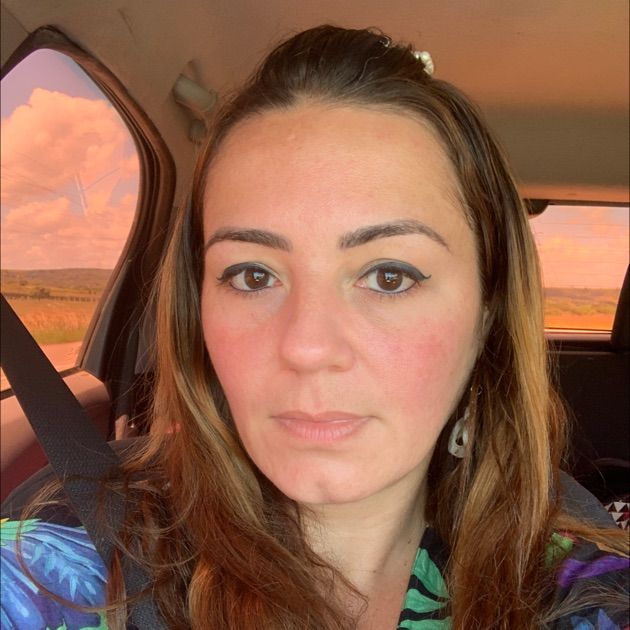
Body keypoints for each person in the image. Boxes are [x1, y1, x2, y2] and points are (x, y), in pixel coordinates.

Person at [1, 25, 628, 630]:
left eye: (389, 276)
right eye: (252, 275)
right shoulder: (62, 564)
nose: (306, 346)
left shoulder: (588, 595)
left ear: (487, 314)